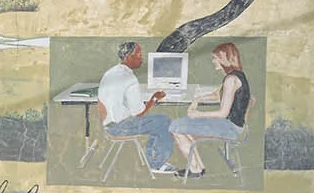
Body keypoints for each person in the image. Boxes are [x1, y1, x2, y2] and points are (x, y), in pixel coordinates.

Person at [97, 41, 178, 176]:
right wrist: (154, 98)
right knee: (164, 121)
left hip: (108, 124)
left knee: (156, 123)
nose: (142, 58)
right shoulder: (129, 78)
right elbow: (139, 113)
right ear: (129, 57)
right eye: (139, 54)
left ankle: (152, 161)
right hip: (121, 127)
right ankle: (157, 164)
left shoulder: (111, 72)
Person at [170, 42, 250, 178]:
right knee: (183, 127)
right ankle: (198, 168)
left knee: (175, 126)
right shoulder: (236, 75)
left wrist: (197, 114)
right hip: (234, 125)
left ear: (224, 58)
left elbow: (223, 113)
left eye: (215, 58)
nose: (213, 61)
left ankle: (196, 169)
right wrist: (197, 99)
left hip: (229, 128)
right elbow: (216, 94)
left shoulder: (231, 79)